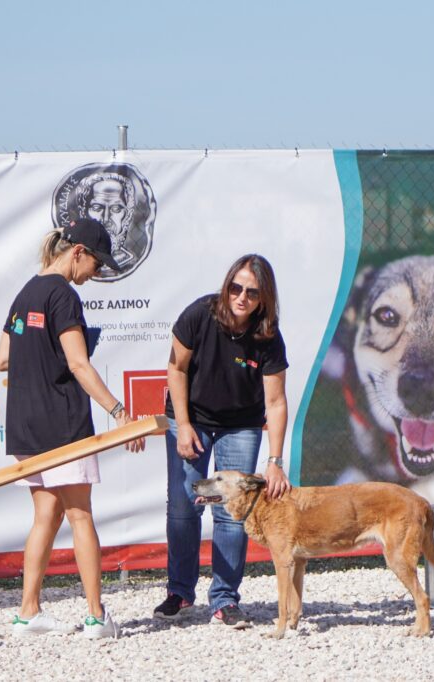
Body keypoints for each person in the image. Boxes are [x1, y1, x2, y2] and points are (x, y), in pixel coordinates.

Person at [0, 217, 145, 640]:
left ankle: (28, 613)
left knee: (45, 514)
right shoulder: (63, 295)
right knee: (80, 515)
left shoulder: (26, 292)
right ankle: (97, 617)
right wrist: (119, 411)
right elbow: (79, 364)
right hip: (62, 423)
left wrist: (42, 353)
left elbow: (3, 358)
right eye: (96, 266)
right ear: (77, 252)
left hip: (24, 424)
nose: (94, 275)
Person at [154, 254, 291, 628]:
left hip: (241, 424)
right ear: (227, 284)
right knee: (183, 506)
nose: (241, 296)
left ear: (263, 298)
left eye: (251, 291)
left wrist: (275, 461)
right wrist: (182, 424)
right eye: (236, 287)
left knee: (231, 512)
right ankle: (179, 592)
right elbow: (176, 369)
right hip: (192, 418)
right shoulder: (199, 314)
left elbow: (276, 402)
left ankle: (225, 600)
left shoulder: (267, 335)